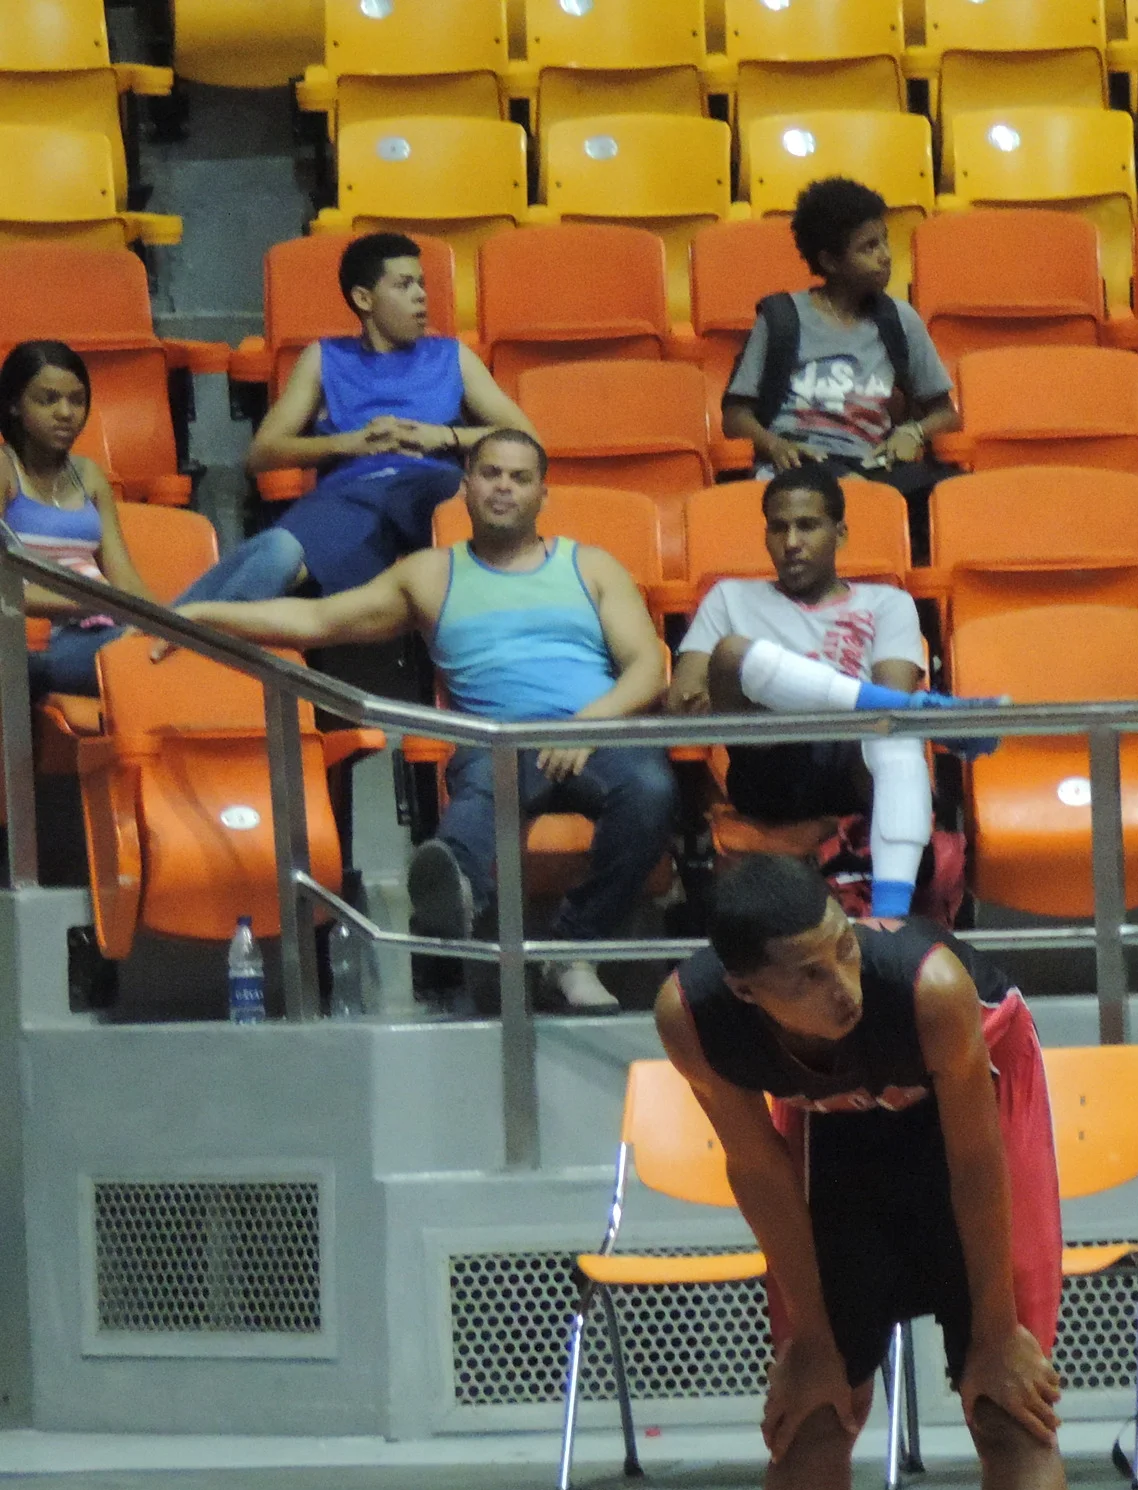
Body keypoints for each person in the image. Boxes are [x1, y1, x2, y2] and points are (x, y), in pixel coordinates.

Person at [656, 857, 1066, 1490]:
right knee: (812, 1415)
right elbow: (755, 1164)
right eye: (805, 975)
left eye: (842, 951)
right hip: (833, 1146)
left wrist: (993, 1332)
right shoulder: (691, 1017)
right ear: (746, 989)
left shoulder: (928, 987)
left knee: (1011, 1407)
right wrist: (810, 1335)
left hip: (974, 1133)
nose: (839, 985)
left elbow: (974, 1157)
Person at [181, 431, 672, 1014]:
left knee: (651, 790)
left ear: (543, 494)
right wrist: (206, 613)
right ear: (465, 487)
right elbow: (318, 619)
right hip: (496, 738)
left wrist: (585, 727)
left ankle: (574, 952)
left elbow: (648, 668)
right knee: (482, 792)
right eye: (490, 474)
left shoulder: (590, 566)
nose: (504, 488)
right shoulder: (430, 575)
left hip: (593, 732)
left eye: (519, 478)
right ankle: (451, 892)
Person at [668, 462, 995, 917]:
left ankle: (890, 920)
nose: (791, 542)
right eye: (778, 528)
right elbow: (683, 701)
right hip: (768, 763)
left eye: (807, 526)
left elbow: (889, 715)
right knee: (733, 653)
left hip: (856, 761)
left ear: (839, 534)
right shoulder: (729, 598)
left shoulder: (888, 603)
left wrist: (797, 690)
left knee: (893, 731)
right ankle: (925, 711)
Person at [181, 232, 535, 606]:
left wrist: (443, 436)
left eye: (421, 284)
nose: (421, 296)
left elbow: (527, 438)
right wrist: (350, 443)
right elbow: (261, 455)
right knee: (280, 554)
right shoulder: (324, 357)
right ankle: (177, 625)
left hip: (434, 486)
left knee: (478, 517)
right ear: (364, 299)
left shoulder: (452, 356)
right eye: (404, 285)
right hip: (352, 492)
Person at [722, 178, 958, 491]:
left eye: (884, 241)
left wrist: (914, 432)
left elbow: (946, 414)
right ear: (830, 262)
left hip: (873, 466)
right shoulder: (782, 319)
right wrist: (774, 445)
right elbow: (735, 416)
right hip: (801, 465)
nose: (885, 255)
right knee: (849, 491)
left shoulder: (901, 320)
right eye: (869, 247)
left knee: (952, 493)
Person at [0, 341, 157, 698]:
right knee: (140, 651)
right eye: (48, 400)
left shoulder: (90, 475)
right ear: (13, 405)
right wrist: (92, 600)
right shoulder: (5, 471)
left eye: (77, 400)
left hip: (110, 626)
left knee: (273, 550)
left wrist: (173, 625)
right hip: (47, 644)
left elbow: (125, 579)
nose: (65, 412)